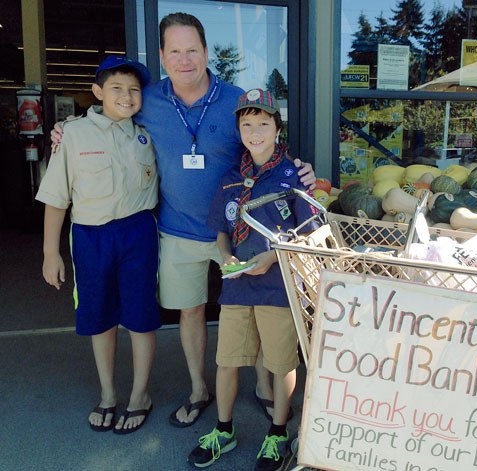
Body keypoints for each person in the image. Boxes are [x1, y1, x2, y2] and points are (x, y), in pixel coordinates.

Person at [52, 12, 316, 428]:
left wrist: (300, 169)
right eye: (175, 51)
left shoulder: (234, 100)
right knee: (191, 312)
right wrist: (66, 129)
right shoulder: (147, 100)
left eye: (192, 49)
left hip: (237, 231)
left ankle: (264, 385)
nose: (185, 59)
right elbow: (107, 119)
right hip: (176, 229)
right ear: (161, 56)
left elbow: (265, 142)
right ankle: (199, 388)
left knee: (258, 306)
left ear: (206, 52)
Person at [188, 88, 319, 470]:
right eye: (247, 124)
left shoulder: (294, 174)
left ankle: (277, 435)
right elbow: (221, 229)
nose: (255, 131)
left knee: (281, 364)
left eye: (263, 123)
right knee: (227, 360)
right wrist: (225, 255)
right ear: (239, 130)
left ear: (277, 128)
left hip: (278, 287)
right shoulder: (231, 177)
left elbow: (310, 231)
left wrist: (272, 256)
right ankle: (223, 431)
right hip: (237, 285)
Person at [37, 56, 158, 434]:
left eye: (134, 90)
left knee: (140, 316)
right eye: (117, 88)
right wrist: (50, 252)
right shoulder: (72, 134)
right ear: (97, 92)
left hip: (139, 233)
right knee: (99, 315)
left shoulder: (145, 134)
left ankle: (140, 395)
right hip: (91, 236)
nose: (126, 96)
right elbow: (57, 197)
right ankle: (108, 394)